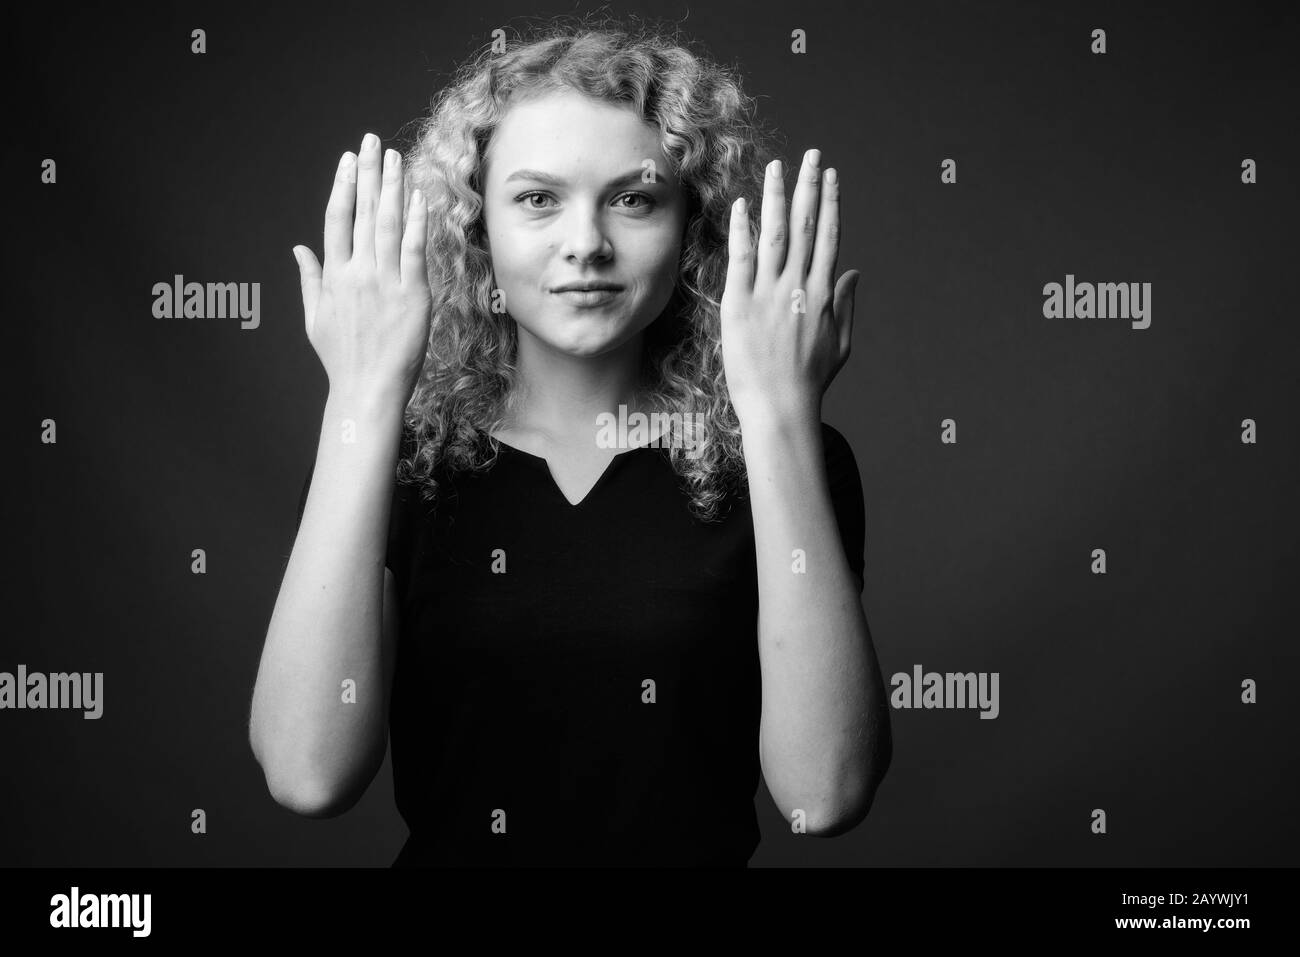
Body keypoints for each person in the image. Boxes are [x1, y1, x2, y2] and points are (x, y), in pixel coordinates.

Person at [249, 15, 891, 867]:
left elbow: (825, 795)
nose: (585, 244)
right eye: (537, 199)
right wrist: (362, 396)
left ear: (691, 228)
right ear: (479, 230)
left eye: (633, 199)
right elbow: (306, 773)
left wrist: (775, 414)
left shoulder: (782, 457)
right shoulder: (399, 459)